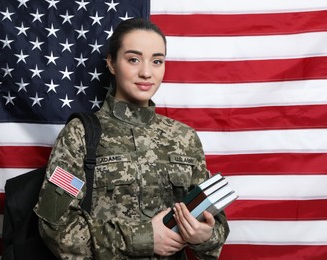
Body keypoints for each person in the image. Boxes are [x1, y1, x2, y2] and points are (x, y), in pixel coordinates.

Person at [34, 18, 229, 259]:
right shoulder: (80, 134)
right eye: (133, 59)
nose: (146, 72)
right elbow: (55, 226)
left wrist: (204, 237)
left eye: (157, 61)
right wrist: (144, 238)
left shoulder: (185, 138)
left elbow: (215, 222)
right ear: (112, 63)